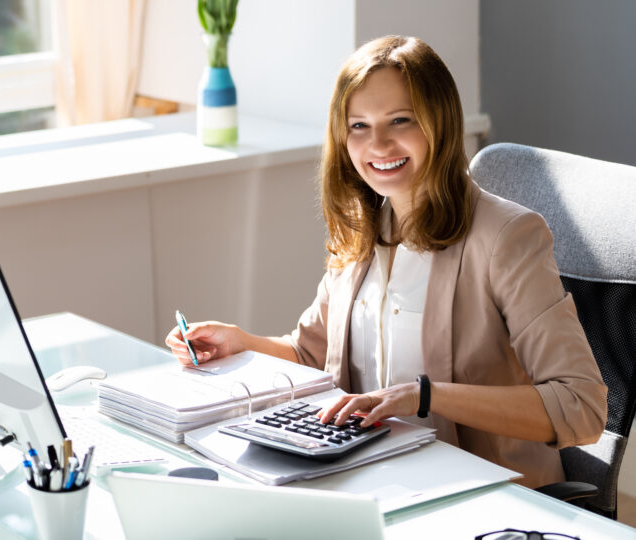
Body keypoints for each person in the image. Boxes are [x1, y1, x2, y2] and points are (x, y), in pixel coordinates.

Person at [165, 35, 607, 488]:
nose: (377, 144)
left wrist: (423, 397)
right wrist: (242, 342)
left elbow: (581, 406)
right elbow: (312, 355)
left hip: (479, 495)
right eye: (358, 125)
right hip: (370, 475)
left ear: (440, 122)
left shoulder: (505, 237)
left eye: (400, 120)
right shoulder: (362, 227)